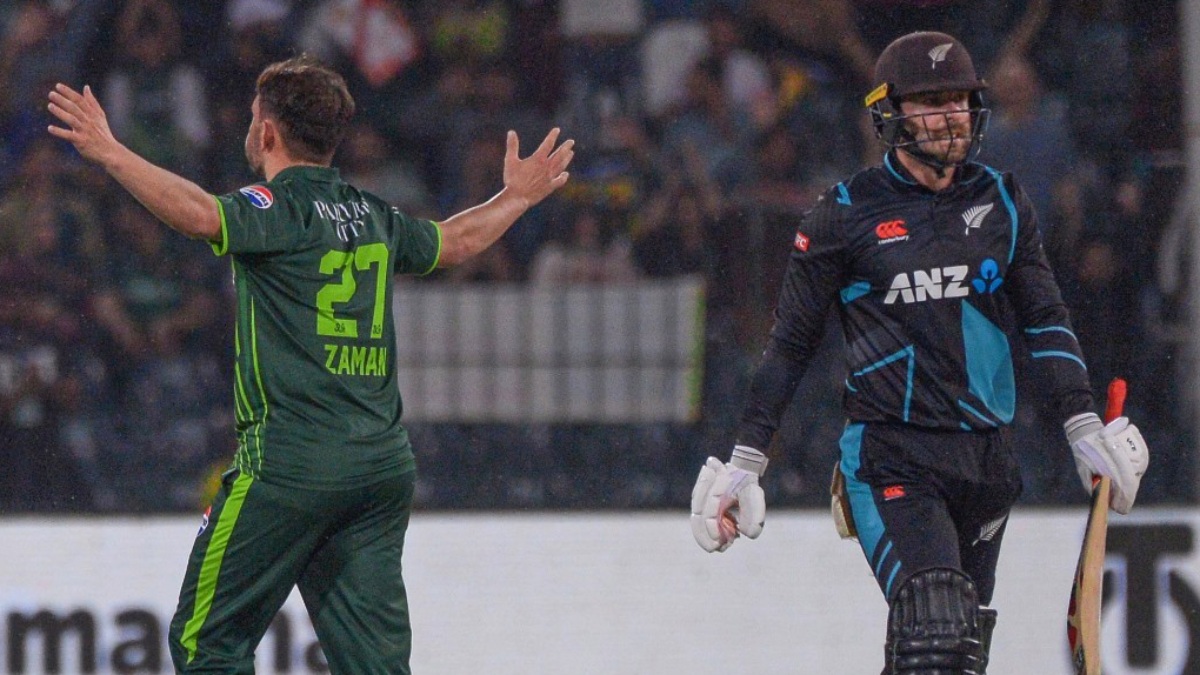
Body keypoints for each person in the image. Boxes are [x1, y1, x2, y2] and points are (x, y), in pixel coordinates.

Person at [48, 54, 573, 673]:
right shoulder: (373, 214)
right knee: (373, 666)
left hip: (291, 465)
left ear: (267, 131)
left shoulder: (275, 207)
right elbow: (455, 241)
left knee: (204, 641)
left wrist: (111, 152)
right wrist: (516, 197)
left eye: (253, 115)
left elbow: (200, 214)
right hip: (380, 467)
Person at [688, 31, 1149, 674]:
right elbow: (790, 346)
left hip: (987, 459)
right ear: (892, 113)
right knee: (936, 629)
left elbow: (1045, 320)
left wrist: (1082, 425)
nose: (950, 115)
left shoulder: (1003, 200)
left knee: (949, 654)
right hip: (891, 457)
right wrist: (746, 460)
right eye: (931, 102)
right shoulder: (843, 214)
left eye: (958, 100)